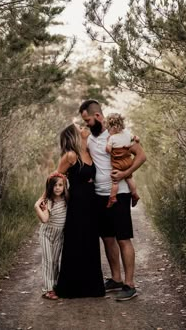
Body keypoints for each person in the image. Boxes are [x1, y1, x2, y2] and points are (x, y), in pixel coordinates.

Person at [79, 99, 146, 301]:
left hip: (120, 194)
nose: (86, 124)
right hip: (99, 196)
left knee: (123, 238)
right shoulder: (89, 138)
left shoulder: (118, 134)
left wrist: (125, 172)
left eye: (88, 120)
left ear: (98, 116)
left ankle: (130, 284)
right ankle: (116, 279)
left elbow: (141, 156)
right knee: (107, 238)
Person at [55, 123, 105, 298]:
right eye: (80, 126)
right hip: (77, 203)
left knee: (90, 241)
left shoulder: (89, 151)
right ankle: (71, 288)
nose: (84, 127)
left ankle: (92, 287)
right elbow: (56, 178)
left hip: (92, 201)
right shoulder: (71, 156)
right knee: (76, 240)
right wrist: (47, 199)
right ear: (75, 134)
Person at [34, 172, 68, 300]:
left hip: (59, 235)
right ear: (50, 187)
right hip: (47, 234)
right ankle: (48, 289)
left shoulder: (66, 201)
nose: (58, 188)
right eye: (54, 185)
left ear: (64, 186)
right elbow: (44, 219)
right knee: (48, 261)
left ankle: (54, 285)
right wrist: (37, 206)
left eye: (60, 185)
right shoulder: (48, 202)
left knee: (54, 261)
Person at [105, 112, 140, 208]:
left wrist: (107, 143)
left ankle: (112, 197)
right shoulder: (127, 133)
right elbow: (136, 139)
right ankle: (134, 194)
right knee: (129, 178)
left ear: (115, 127)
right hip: (128, 162)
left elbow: (108, 150)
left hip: (118, 163)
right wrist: (134, 141)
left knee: (115, 181)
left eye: (109, 129)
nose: (108, 131)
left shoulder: (112, 138)